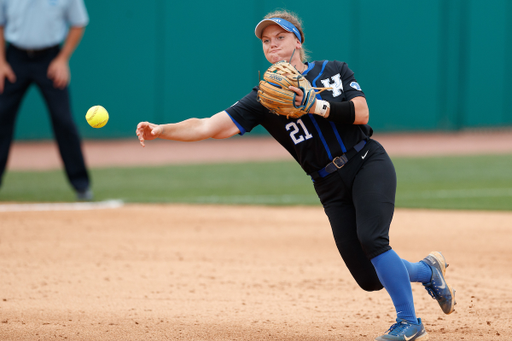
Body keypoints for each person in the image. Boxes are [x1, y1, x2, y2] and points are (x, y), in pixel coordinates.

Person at [136, 10, 455, 341]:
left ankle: (409, 323)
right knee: (370, 277)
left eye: (280, 37)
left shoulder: (333, 71)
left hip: (366, 162)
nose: (272, 45)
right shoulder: (264, 97)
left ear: (298, 40)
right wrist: (163, 130)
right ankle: (427, 271)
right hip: (328, 185)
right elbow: (208, 125)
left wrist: (314, 104)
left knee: (373, 240)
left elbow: (362, 113)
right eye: (266, 40)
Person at [0, 0, 92, 201]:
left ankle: (82, 185)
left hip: (50, 59)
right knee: (1, 118)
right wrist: (1, 61)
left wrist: (62, 59)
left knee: (64, 120)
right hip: (14, 58)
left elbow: (79, 23)